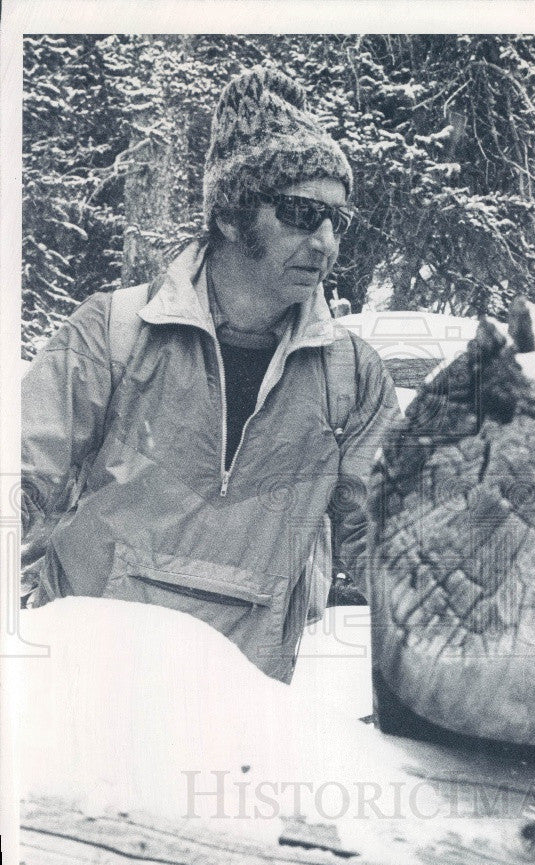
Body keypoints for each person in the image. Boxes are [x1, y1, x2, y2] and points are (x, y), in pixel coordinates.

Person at [21, 64, 400, 682]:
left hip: (237, 722)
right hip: (83, 700)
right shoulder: (115, 331)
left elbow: (391, 547)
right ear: (231, 215)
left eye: (338, 220)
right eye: (303, 213)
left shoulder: (350, 376)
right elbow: (19, 483)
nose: (326, 241)